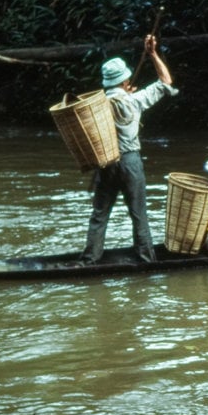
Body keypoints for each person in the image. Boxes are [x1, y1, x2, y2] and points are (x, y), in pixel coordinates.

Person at [81, 34, 178, 264]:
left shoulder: (97, 104)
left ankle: (89, 259)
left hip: (106, 163)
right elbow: (166, 81)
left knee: (99, 215)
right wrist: (153, 53)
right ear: (125, 82)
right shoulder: (134, 101)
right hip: (130, 162)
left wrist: (124, 92)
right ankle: (146, 259)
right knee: (138, 214)